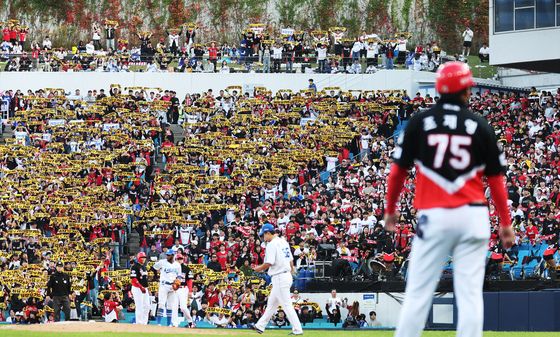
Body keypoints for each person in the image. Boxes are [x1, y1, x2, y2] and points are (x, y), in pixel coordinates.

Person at [384, 61, 514, 337]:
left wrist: (391, 210)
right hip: (474, 216)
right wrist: (505, 222)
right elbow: (496, 182)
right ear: (466, 90)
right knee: (469, 295)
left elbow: (397, 172)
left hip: (436, 215)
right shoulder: (480, 125)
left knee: (418, 292)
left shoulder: (420, 122)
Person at [252, 223, 303, 335]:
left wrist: (257, 269)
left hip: (280, 276)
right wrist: (291, 269)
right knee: (271, 304)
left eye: (263, 235)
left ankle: (297, 330)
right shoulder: (283, 241)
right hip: (285, 275)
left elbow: (269, 262)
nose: (263, 238)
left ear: (268, 233)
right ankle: (260, 326)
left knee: (287, 305)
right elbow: (290, 258)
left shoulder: (271, 244)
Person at [153, 249, 181, 327]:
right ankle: (158, 323)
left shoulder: (177, 265)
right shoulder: (162, 262)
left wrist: (177, 283)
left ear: (173, 255)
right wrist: (157, 275)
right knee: (161, 304)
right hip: (163, 285)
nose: (167, 256)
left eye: (169, 255)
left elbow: (179, 276)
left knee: (170, 306)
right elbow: (154, 267)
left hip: (172, 287)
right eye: (167, 255)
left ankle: (169, 324)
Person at [174, 253, 195, 328]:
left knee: (183, 307)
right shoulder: (173, 268)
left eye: (181, 259)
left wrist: (190, 291)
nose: (180, 260)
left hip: (183, 288)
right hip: (174, 289)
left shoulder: (186, 268)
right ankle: (174, 323)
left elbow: (189, 280)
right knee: (174, 307)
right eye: (178, 259)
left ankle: (190, 321)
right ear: (175, 260)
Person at [130, 252, 150, 325]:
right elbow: (133, 278)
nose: (144, 259)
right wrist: (140, 286)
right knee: (139, 306)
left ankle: (144, 322)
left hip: (144, 288)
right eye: (142, 257)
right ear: (138, 258)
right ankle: (139, 322)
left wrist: (146, 287)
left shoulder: (144, 267)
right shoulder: (135, 266)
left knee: (147, 306)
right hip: (137, 288)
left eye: (144, 257)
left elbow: (145, 279)